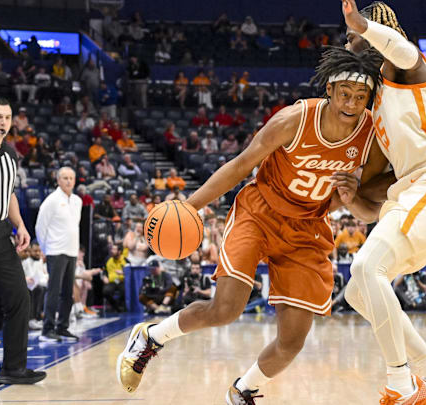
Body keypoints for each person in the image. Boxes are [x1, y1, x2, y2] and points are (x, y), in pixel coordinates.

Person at [116, 45, 384, 404]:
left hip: (307, 228)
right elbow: (242, 165)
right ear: (330, 90)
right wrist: (191, 206)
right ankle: (150, 338)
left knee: (292, 341)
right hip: (260, 212)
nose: (351, 103)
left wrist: (351, 200)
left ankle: (243, 389)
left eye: (360, 96)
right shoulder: (294, 120)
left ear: (369, 98)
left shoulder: (370, 134)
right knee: (225, 309)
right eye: (345, 94)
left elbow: (370, 212)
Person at [341, 2, 426, 403]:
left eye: (354, 38)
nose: (348, 44)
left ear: (377, 32)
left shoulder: (409, 69)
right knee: (357, 290)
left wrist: (362, 25)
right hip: (416, 189)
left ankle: (400, 382)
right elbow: (377, 200)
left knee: (367, 265)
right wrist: (351, 198)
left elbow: (401, 49)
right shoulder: (377, 104)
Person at [0, 98, 46, 384]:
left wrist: (20, 225)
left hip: (0, 236)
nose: (3, 123)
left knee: (19, 297)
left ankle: (13, 369)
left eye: (7, 118)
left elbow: (9, 194)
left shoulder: (10, 155)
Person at [35, 167, 82, 343]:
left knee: (67, 293)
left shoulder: (77, 201)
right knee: (53, 291)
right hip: (55, 252)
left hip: (71, 252)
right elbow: (40, 227)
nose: (68, 181)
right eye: (65, 178)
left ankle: (62, 328)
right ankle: (47, 330)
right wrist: (45, 250)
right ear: (58, 180)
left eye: (71, 178)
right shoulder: (51, 201)